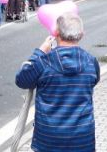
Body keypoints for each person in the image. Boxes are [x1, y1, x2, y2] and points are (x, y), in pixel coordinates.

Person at [15, 12, 99, 152]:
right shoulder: (91, 63)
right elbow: (94, 82)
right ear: (82, 34)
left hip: (49, 140)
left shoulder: (44, 62)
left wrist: (40, 52)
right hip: (82, 140)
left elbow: (22, 80)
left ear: (56, 33)